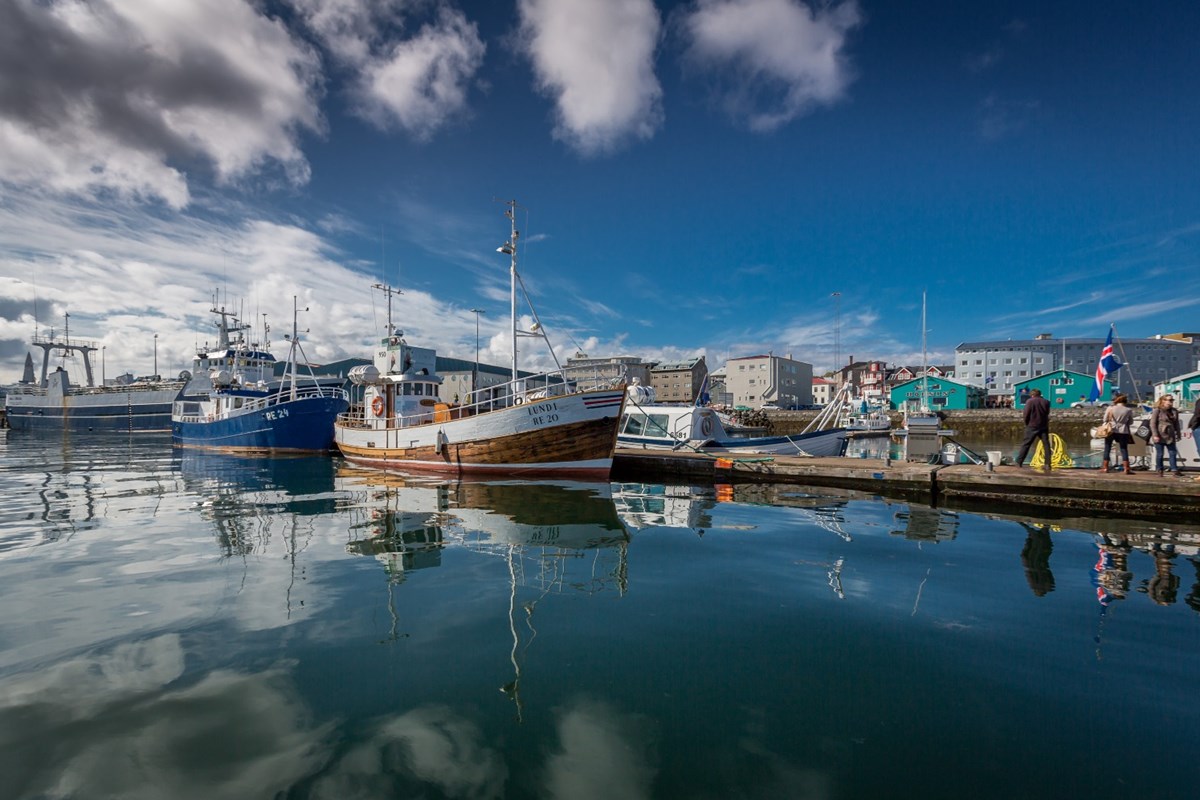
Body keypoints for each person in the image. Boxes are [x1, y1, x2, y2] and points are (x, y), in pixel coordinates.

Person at [1015, 388, 1051, 470]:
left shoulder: (1030, 401)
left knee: (1026, 444)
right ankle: (1047, 464)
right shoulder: (1046, 402)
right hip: (1043, 426)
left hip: (1032, 425)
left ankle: (1019, 462)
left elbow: (1026, 414)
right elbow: (1047, 413)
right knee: (1046, 445)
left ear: (1032, 395)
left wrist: (1027, 423)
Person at [1149, 394, 1183, 477]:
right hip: (1160, 434)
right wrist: (1155, 435)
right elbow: (1152, 423)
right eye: (1169, 400)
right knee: (1160, 454)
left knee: (1172, 453)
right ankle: (1160, 470)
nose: (1171, 402)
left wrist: (1178, 434)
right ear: (1163, 401)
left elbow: (1176, 423)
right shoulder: (1158, 410)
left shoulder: (1174, 411)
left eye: (1172, 400)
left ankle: (1174, 469)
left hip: (1170, 434)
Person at [1100, 393, 1134, 474]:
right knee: (1123, 449)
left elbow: (1105, 419)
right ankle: (1126, 468)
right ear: (1125, 401)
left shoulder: (1110, 408)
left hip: (1111, 430)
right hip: (1123, 431)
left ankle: (1105, 468)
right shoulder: (1128, 410)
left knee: (1107, 448)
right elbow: (1131, 422)